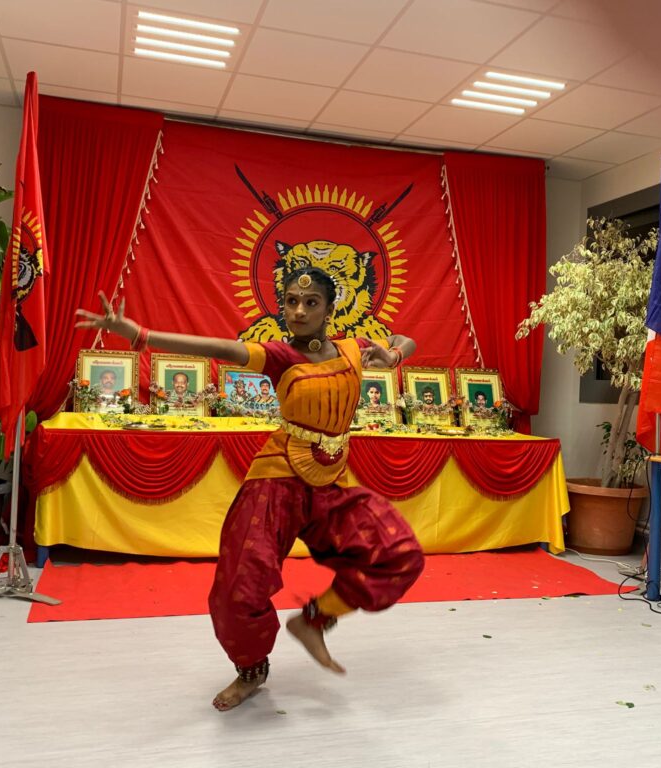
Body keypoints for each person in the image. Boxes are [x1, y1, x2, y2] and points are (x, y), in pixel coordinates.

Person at [76, 267, 424, 711]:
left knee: (398, 554)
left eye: (311, 303)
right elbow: (219, 348)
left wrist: (392, 356)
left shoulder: (355, 348)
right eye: (291, 302)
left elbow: (407, 340)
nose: (299, 311)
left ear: (329, 309)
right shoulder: (280, 356)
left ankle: (314, 621)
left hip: (330, 484)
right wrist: (140, 335)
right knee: (239, 587)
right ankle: (251, 669)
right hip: (276, 480)